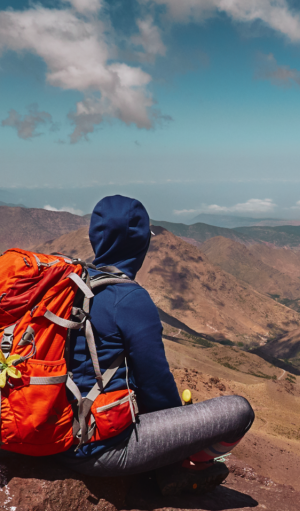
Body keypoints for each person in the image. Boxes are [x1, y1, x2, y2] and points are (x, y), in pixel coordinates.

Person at [56, 194, 254, 495]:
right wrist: (178, 430)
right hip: (97, 448)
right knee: (239, 412)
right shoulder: (130, 299)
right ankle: (182, 468)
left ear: (95, 238)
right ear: (141, 243)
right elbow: (156, 386)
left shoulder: (69, 285)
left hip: (52, 432)